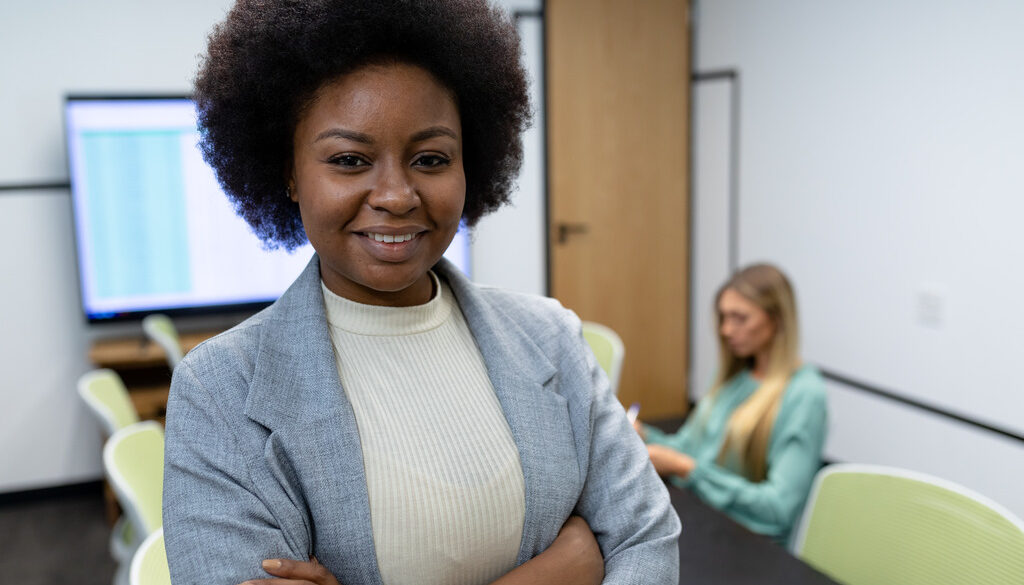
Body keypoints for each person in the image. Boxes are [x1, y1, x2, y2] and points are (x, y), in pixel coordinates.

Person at [161, 1, 681, 584]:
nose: (397, 195)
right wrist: (564, 571)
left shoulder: (549, 335)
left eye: (430, 159)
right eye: (350, 160)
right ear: (288, 170)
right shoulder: (219, 393)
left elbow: (645, 538)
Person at [636, 264, 827, 546]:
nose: (726, 330)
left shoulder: (804, 395)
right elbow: (691, 449)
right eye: (724, 317)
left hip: (751, 546)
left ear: (776, 320)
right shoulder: (734, 376)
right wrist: (645, 436)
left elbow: (778, 509)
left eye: (740, 318)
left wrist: (686, 469)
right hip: (706, 521)